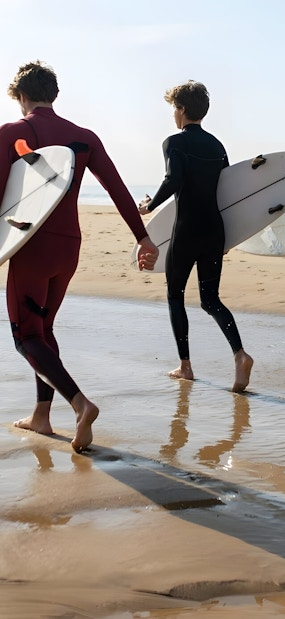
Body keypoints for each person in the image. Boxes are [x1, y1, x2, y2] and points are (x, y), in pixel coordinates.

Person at [0, 60, 159, 452]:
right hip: (68, 244)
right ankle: (41, 415)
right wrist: (143, 238)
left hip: (31, 244)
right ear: (53, 94)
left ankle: (80, 404)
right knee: (44, 330)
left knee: (25, 337)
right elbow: (117, 189)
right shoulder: (84, 137)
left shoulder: (12, 132)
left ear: (21, 96)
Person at [139, 80, 253, 392]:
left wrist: (150, 205)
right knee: (211, 299)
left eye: (173, 108)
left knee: (176, 295)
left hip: (187, 229)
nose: (172, 115)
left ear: (182, 109)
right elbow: (230, 192)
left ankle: (185, 367)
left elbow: (173, 178)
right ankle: (240, 354)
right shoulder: (218, 146)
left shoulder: (174, 142)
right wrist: (230, 238)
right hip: (215, 230)